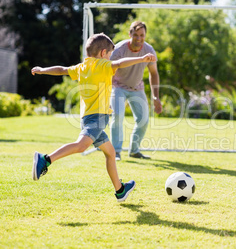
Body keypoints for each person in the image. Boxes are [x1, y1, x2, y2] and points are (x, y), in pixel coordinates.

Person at [31, 33, 156, 202]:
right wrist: (141, 59)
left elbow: (62, 70)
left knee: (111, 153)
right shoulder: (103, 65)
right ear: (103, 53)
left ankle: (120, 190)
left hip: (89, 118)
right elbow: (119, 63)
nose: (110, 58)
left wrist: (42, 70)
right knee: (82, 146)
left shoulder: (82, 67)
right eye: (110, 54)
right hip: (97, 119)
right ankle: (45, 160)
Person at [110, 21, 162, 161]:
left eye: (142, 35)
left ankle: (134, 150)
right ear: (130, 34)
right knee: (118, 116)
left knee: (143, 120)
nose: (139, 38)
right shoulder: (119, 49)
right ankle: (115, 152)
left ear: (145, 36)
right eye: (136, 35)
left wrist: (155, 97)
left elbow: (154, 73)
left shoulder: (149, 50)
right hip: (118, 87)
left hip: (137, 88)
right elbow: (108, 71)